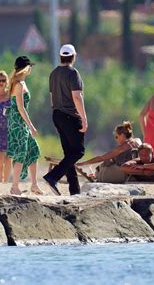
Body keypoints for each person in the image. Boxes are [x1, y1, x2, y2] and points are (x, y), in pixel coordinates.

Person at [43, 44, 88, 195]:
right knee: (78, 151)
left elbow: (51, 97)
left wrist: (57, 116)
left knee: (69, 153)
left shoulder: (53, 73)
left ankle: (74, 190)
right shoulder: (73, 73)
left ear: (61, 56)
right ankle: (53, 176)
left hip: (57, 114)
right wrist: (84, 118)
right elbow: (77, 96)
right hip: (70, 116)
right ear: (73, 56)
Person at [7, 56, 43, 195]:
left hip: (19, 122)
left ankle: (34, 184)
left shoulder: (19, 82)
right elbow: (21, 108)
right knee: (20, 154)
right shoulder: (19, 84)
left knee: (33, 150)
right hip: (18, 123)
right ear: (26, 68)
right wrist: (31, 127)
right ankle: (14, 187)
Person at [77, 121, 142, 183]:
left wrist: (83, 163)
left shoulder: (123, 147)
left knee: (107, 161)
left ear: (122, 135)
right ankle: (95, 175)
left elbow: (102, 158)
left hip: (122, 174)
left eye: (117, 137)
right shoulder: (138, 141)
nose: (116, 140)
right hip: (134, 172)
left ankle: (96, 175)